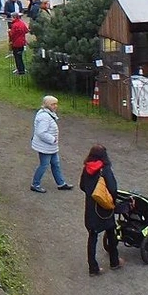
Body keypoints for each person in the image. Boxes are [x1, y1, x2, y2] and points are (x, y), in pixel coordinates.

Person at [80, 145, 122, 276]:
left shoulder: (87, 168)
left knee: (92, 237)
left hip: (91, 209)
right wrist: (113, 202)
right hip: (103, 208)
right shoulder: (105, 169)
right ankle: (114, 262)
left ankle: (93, 268)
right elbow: (113, 188)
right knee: (111, 232)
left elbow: (82, 186)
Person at [29, 96, 73, 193]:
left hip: (50, 146)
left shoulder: (47, 114)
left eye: (56, 104)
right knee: (44, 165)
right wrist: (52, 139)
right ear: (47, 105)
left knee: (55, 164)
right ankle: (35, 184)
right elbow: (41, 132)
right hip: (45, 146)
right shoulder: (44, 117)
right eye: (53, 104)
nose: (55, 106)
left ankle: (61, 183)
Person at [7, 11, 28, 75]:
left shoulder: (14, 25)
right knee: (20, 56)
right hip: (22, 42)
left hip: (16, 43)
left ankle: (20, 71)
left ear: (14, 17)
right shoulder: (22, 23)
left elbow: (12, 35)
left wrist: (9, 32)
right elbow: (26, 31)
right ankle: (22, 68)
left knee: (17, 58)